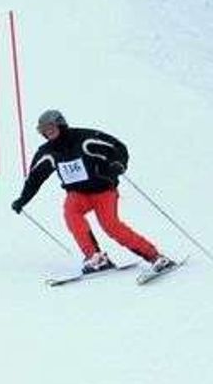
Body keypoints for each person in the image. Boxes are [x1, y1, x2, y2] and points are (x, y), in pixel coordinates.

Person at [10, 110, 177, 274]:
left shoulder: (84, 139)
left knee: (110, 226)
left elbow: (118, 147)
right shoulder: (47, 152)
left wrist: (119, 164)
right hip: (77, 193)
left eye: (51, 128)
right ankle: (95, 258)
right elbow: (35, 178)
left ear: (61, 124)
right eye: (44, 130)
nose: (49, 132)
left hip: (102, 190)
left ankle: (155, 256)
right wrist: (22, 200)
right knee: (71, 215)